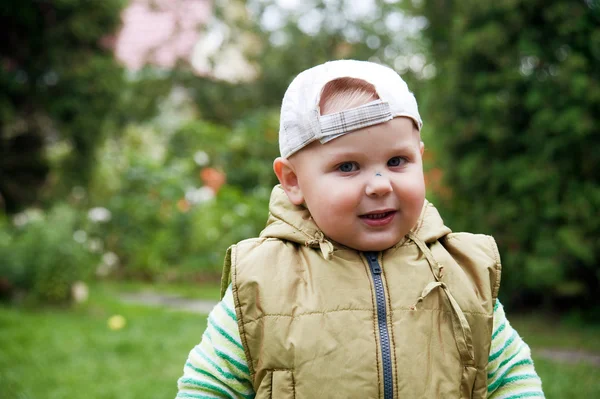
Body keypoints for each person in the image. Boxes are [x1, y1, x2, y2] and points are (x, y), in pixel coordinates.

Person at [176, 60, 544, 398]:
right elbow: (208, 386)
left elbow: (511, 380)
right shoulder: (261, 283)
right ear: (293, 181)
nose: (380, 184)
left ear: (420, 156)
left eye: (397, 161)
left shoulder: (463, 273)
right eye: (348, 166)